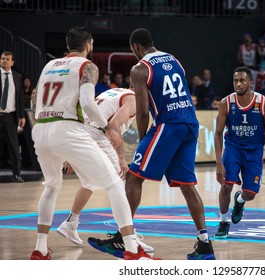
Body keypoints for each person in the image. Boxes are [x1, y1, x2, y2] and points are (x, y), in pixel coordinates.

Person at [87, 28, 216, 260]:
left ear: (136, 47)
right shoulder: (175, 60)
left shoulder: (140, 68)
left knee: (134, 177)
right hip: (190, 123)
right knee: (188, 186)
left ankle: (122, 237)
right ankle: (205, 244)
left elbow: (143, 110)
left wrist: (144, 140)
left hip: (168, 125)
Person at [30, 26, 156, 260]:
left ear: (68, 46)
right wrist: (107, 128)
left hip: (41, 130)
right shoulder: (87, 66)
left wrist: (45, 131)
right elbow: (88, 103)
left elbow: (34, 102)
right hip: (74, 129)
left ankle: (41, 248)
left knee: (53, 186)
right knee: (117, 183)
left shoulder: (49, 65)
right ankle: (130, 245)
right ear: (89, 45)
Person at [55, 87, 154, 256]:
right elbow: (114, 125)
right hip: (99, 136)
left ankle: (70, 223)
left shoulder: (113, 91)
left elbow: (86, 112)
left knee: (89, 182)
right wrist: (121, 157)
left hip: (81, 133)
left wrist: (74, 151)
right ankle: (128, 237)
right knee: (123, 184)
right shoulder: (133, 99)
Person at [214, 66, 265, 238]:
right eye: (235, 80)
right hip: (233, 149)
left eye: (242, 80)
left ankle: (240, 201)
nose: (238, 83)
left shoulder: (263, 102)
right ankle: (223, 222)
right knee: (226, 186)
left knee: (250, 194)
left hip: (254, 152)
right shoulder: (226, 103)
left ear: (250, 83)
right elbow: (218, 133)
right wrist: (218, 163)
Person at [0, 51, 25, 182]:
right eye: (3, 58)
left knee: (13, 146)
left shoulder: (17, 76)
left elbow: (20, 98)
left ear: (12, 62)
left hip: (10, 116)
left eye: (7, 59)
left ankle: (17, 174)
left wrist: (22, 116)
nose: (4, 61)